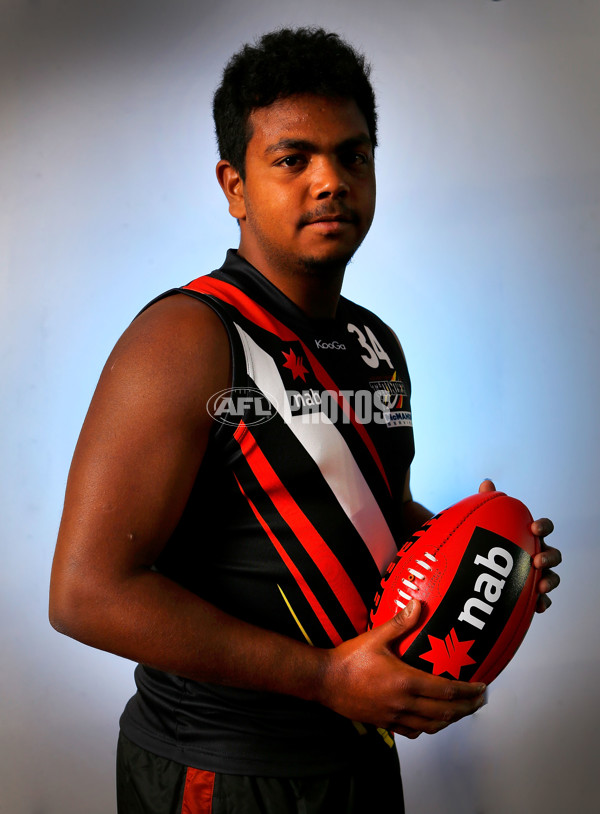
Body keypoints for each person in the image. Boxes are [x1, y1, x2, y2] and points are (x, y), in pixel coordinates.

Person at [49, 27, 561, 814]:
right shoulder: (184, 339)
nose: (330, 181)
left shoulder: (372, 342)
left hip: (354, 746)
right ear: (235, 185)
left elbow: (361, 513)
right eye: (294, 159)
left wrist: (480, 555)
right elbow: (86, 592)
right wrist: (324, 677)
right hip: (223, 769)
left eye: (353, 156)